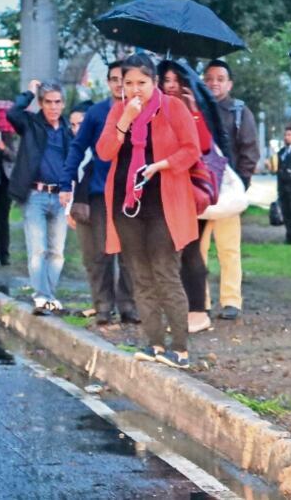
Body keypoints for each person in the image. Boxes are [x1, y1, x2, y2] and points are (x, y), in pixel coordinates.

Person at [97, 54, 201, 369]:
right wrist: (126, 119)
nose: (134, 89)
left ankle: (180, 350)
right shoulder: (119, 110)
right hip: (127, 205)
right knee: (140, 275)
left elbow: (192, 150)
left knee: (164, 272)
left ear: (154, 82)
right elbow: (104, 152)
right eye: (128, 83)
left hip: (164, 205)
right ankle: (154, 343)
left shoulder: (173, 107)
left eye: (141, 82)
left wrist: (161, 165)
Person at [59, 63, 138, 325]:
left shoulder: (142, 110)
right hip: (100, 192)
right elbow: (77, 147)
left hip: (131, 193)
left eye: (124, 79)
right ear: (108, 82)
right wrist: (66, 184)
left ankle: (129, 306)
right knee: (99, 253)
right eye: (114, 79)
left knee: (130, 253)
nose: (119, 84)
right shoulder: (96, 112)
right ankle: (103, 306)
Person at [159, 60, 214, 334]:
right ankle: (179, 308)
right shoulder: (155, 108)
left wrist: (193, 111)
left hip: (187, 190)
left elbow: (202, 145)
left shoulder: (191, 109)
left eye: (176, 80)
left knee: (190, 249)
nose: (171, 85)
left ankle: (198, 310)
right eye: (166, 80)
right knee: (168, 252)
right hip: (161, 188)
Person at [201, 59, 259, 320]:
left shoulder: (239, 112)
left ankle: (231, 300)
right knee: (197, 250)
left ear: (229, 84)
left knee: (229, 250)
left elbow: (250, 151)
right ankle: (199, 300)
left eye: (220, 78)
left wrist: (240, 186)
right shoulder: (196, 108)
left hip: (228, 191)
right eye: (209, 78)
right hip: (200, 191)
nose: (214, 83)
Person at [8, 80, 71, 314]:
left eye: (57, 102)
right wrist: (30, 92)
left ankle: (48, 297)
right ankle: (42, 296)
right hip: (35, 194)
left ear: (63, 104)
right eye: (48, 102)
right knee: (38, 249)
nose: (53, 107)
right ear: (41, 103)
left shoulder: (67, 129)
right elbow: (13, 113)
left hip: (61, 196)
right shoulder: (30, 123)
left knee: (57, 252)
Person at [0, 125, 15, 267]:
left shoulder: (7, 136)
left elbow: (15, 157)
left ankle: (4, 255)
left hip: (4, 184)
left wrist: (4, 148)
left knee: (3, 220)